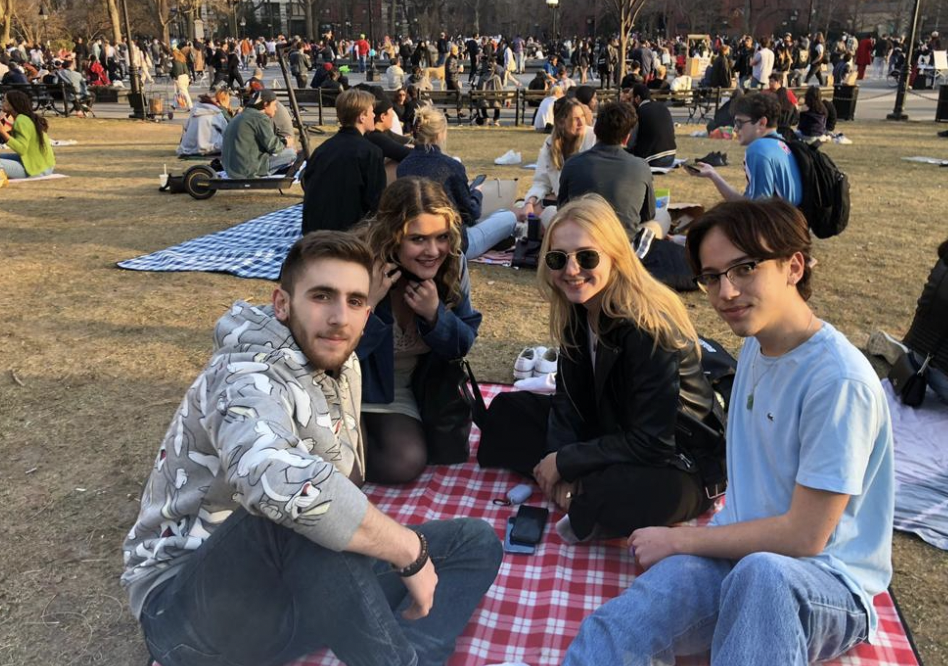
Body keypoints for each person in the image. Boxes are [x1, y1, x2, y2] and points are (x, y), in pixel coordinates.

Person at [121, 230, 503, 666]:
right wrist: (405, 549)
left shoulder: (342, 361)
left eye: (356, 301)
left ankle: (413, 652)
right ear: (282, 304)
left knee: (474, 542)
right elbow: (279, 482)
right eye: (322, 296)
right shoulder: (245, 373)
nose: (340, 317)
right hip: (191, 615)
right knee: (296, 507)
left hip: (292, 603)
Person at [563, 198, 894, 666]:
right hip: (736, 556)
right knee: (616, 627)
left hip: (827, 585)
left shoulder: (837, 382)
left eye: (744, 269)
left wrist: (681, 539)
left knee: (762, 578)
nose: (727, 292)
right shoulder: (759, 348)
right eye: (713, 277)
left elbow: (805, 538)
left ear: (793, 266)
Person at [477, 194, 719, 542]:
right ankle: (578, 490)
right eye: (558, 259)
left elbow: (653, 442)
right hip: (612, 426)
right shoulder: (579, 307)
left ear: (616, 256)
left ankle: (586, 494)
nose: (571, 270)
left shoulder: (646, 326)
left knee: (615, 495)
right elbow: (568, 400)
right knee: (506, 412)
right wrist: (558, 459)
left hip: (674, 455)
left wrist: (567, 462)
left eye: (587, 256)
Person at [356, 177, 482, 483]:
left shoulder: (453, 264)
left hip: (401, 391)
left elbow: (462, 343)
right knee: (345, 471)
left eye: (441, 236)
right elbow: (331, 355)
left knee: (407, 461)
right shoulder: (358, 264)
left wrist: (435, 316)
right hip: (348, 386)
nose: (433, 250)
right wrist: (368, 305)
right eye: (418, 239)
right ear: (392, 236)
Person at [397, 106, 516, 259]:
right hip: (453, 245)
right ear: (440, 134)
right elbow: (471, 214)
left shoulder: (404, 166)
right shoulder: (450, 166)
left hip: (416, 240)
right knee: (508, 217)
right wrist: (477, 193)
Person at [558, 101, 656, 239]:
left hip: (582, 237)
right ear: (627, 136)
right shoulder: (641, 166)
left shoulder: (572, 164)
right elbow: (648, 215)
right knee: (662, 218)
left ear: (596, 129)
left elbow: (562, 209)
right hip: (622, 241)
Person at [689, 93, 802, 206]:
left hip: (776, 222)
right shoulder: (781, 144)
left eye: (739, 123)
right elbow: (748, 202)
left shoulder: (758, 150)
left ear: (762, 123)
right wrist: (713, 174)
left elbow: (755, 209)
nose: (735, 129)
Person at [302, 88, 386, 234]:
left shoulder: (322, 149)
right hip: (349, 234)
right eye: (371, 111)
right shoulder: (370, 152)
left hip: (313, 231)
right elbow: (376, 202)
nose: (374, 115)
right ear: (362, 116)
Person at [521, 97, 597, 228]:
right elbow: (541, 182)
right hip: (560, 206)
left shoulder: (593, 138)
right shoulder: (550, 143)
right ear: (562, 122)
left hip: (586, 209)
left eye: (582, 117)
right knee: (520, 211)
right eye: (575, 119)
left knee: (548, 216)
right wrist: (529, 202)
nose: (581, 122)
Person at [220, 89, 296, 180]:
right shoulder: (260, 118)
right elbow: (274, 147)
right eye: (274, 105)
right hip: (246, 170)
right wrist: (286, 142)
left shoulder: (242, 115)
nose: (276, 109)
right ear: (265, 104)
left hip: (230, 168)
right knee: (291, 153)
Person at [0, 90, 55, 180]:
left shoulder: (21, 121)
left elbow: (21, 149)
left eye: (4, 100)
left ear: (13, 104)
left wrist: (2, 132)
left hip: (35, 169)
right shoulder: (25, 118)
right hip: (42, 165)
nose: (2, 102)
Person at [626, 83, 677, 168]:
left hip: (653, 158)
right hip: (671, 155)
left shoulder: (640, 112)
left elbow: (630, 143)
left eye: (630, 99)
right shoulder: (663, 107)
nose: (629, 102)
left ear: (637, 98)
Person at [176, 87, 233, 156]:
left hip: (188, 149)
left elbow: (186, 128)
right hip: (209, 148)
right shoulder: (217, 113)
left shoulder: (195, 111)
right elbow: (227, 132)